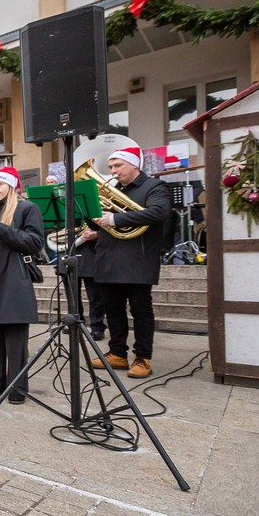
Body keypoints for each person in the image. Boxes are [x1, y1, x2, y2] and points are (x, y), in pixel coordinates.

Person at [91, 146, 171, 379]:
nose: (113, 171)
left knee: (141, 310)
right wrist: (93, 217)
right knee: (112, 310)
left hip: (138, 258)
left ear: (134, 165)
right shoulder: (113, 189)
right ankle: (117, 353)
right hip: (108, 258)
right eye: (111, 167)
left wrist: (115, 218)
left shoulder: (153, 187)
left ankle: (143, 358)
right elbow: (102, 222)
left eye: (118, 166)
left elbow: (159, 213)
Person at [0, 167, 44, 405]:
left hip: (14, 278)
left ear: (11, 187)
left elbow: (33, 242)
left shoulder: (26, 208)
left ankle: (17, 387)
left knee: (15, 338)